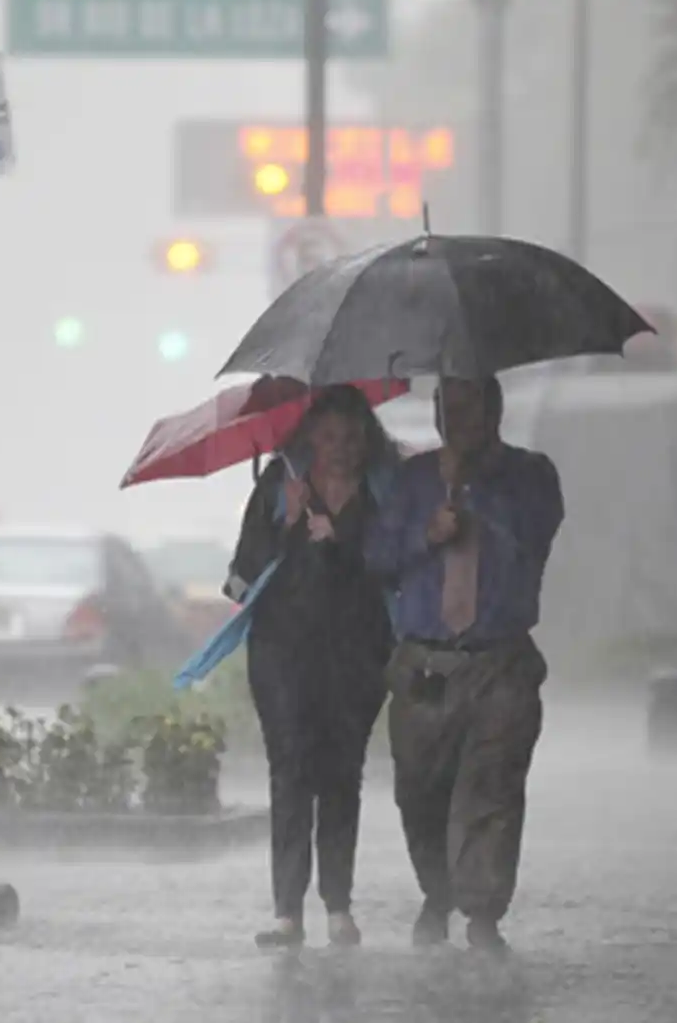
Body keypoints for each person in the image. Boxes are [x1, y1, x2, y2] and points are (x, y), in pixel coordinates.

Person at [363, 376, 564, 955]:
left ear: (494, 411)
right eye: (446, 409)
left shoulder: (530, 476)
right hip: (425, 664)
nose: (458, 419)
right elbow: (379, 557)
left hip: (499, 662)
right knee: (420, 792)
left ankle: (481, 914)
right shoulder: (413, 480)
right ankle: (438, 893)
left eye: (469, 406)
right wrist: (429, 533)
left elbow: (534, 537)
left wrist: (474, 493)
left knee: (491, 790)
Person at [226, 384, 399, 949]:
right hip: (283, 654)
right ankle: (286, 912)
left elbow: (400, 565)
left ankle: (338, 906)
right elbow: (239, 579)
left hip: (357, 655)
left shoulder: (384, 494)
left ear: (367, 440)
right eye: (328, 437)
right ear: (310, 438)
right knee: (291, 770)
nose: (341, 448)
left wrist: (343, 537)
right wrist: (287, 524)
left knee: (342, 773)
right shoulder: (280, 486)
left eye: (352, 437)